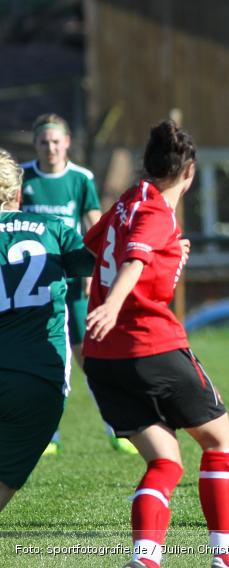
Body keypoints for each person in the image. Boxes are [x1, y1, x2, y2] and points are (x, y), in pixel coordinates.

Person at [81, 120, 229, 568]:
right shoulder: (156, 211)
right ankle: (227, 558)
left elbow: (94, 249)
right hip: (150, 346)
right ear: (190, 172)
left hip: (102, 358)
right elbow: (136, 259)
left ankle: (145, 559)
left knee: (166, 460)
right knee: (220, 439)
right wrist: (115, 304)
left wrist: (173, 251)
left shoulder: (128, 201)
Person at [20, 113, 137, 455]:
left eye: (56, 141)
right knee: (44, 354)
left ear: (67, 142)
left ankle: (119, 430)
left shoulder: (81, 178)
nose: (51, 148)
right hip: (38, 279)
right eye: (44, 141)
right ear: (36, 144)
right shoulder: (23, 178)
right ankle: (48, 436)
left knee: (90, 354)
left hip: (74, 280)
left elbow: (94, 228)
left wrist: (91, 271)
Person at [0, 148, 95, 512]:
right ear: (18, 194)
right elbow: (96, 260)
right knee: (7, 474)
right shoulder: (53, 230)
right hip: (39, 377)